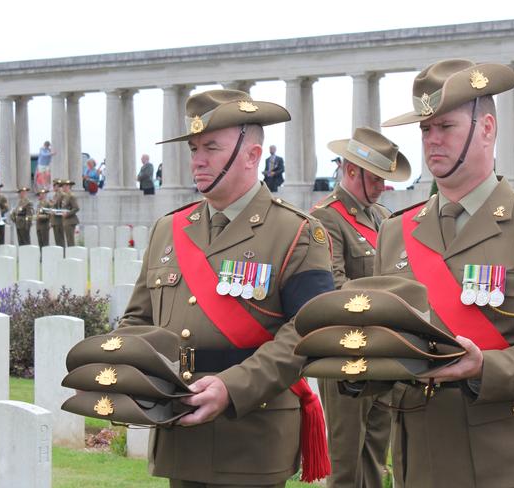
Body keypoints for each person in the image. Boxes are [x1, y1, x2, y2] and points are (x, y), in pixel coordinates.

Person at [362, 58, 514, 487]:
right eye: (425, 130)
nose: (432, 141)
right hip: (418, 463)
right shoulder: (395, 232)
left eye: (446, 126)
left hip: (505, 465)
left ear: (487, 129)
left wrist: (484, 368)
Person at [118, 89, 334, 487]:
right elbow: (138, 320)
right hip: (178, 433)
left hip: (251, 438)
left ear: (252, 155)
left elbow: (309, 331)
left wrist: (231, 388)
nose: (197, 160)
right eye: (194, 148)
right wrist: (119, 369)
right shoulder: (170, 228)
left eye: (211, 148)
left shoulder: (297, 231)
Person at [310, 127, 411, 488]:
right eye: (377, 178)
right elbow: (333, 288)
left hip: (382, 352)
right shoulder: (327, 218)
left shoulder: (382, 216)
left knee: (375, 456)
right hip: (345, 356)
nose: (384, 186)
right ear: (352, 171)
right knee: (346, 461)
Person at [60, 180, 79, 247]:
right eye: (62, 186)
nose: (62, 188)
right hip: (66, 221)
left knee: (70, 241)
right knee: (68, 240)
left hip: (70, 221)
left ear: (68, 186)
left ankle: (72, 255)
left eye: (64, 186)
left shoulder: (71, 196)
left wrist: (67, 214)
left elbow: (76, 208)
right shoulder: (65, 196)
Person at [50, 179, 66, 248]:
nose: (53, 187)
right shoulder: (55, 195)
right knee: (57, 239)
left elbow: (63, 207)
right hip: (54, 220)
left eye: (54, 185)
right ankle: (59, 254)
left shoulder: (62, 195)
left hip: (59, 220)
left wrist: (56, 211)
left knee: (61, 239)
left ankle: (63, 254)